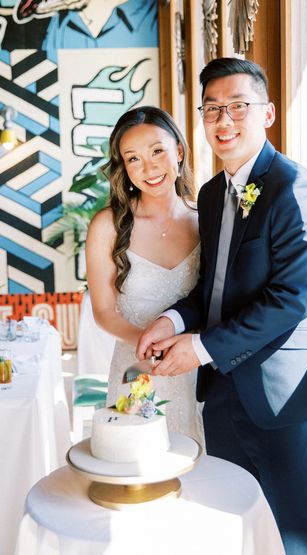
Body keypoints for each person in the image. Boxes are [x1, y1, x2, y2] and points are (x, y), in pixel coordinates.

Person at [136, 58, 307, 555]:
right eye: (212, 109)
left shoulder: (297, 189)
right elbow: (214, 286)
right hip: (224, 395)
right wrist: (170, 321)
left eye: (237, 107)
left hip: (281, 398)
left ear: (267, 113)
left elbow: (289, 300)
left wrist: (200, 347)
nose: (223, 120)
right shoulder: (210, 195)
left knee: (292, 536)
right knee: (232, 528)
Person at [85, 105, 204, 447]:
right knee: (137, 468)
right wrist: (149, 343)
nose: (148, 168)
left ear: (178, 152)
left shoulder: (205, 220)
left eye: (157, 152)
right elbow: (104, 312)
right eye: (133, 159)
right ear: (123, 167)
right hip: (137, 369)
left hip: (197, 367)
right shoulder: (108, 225)